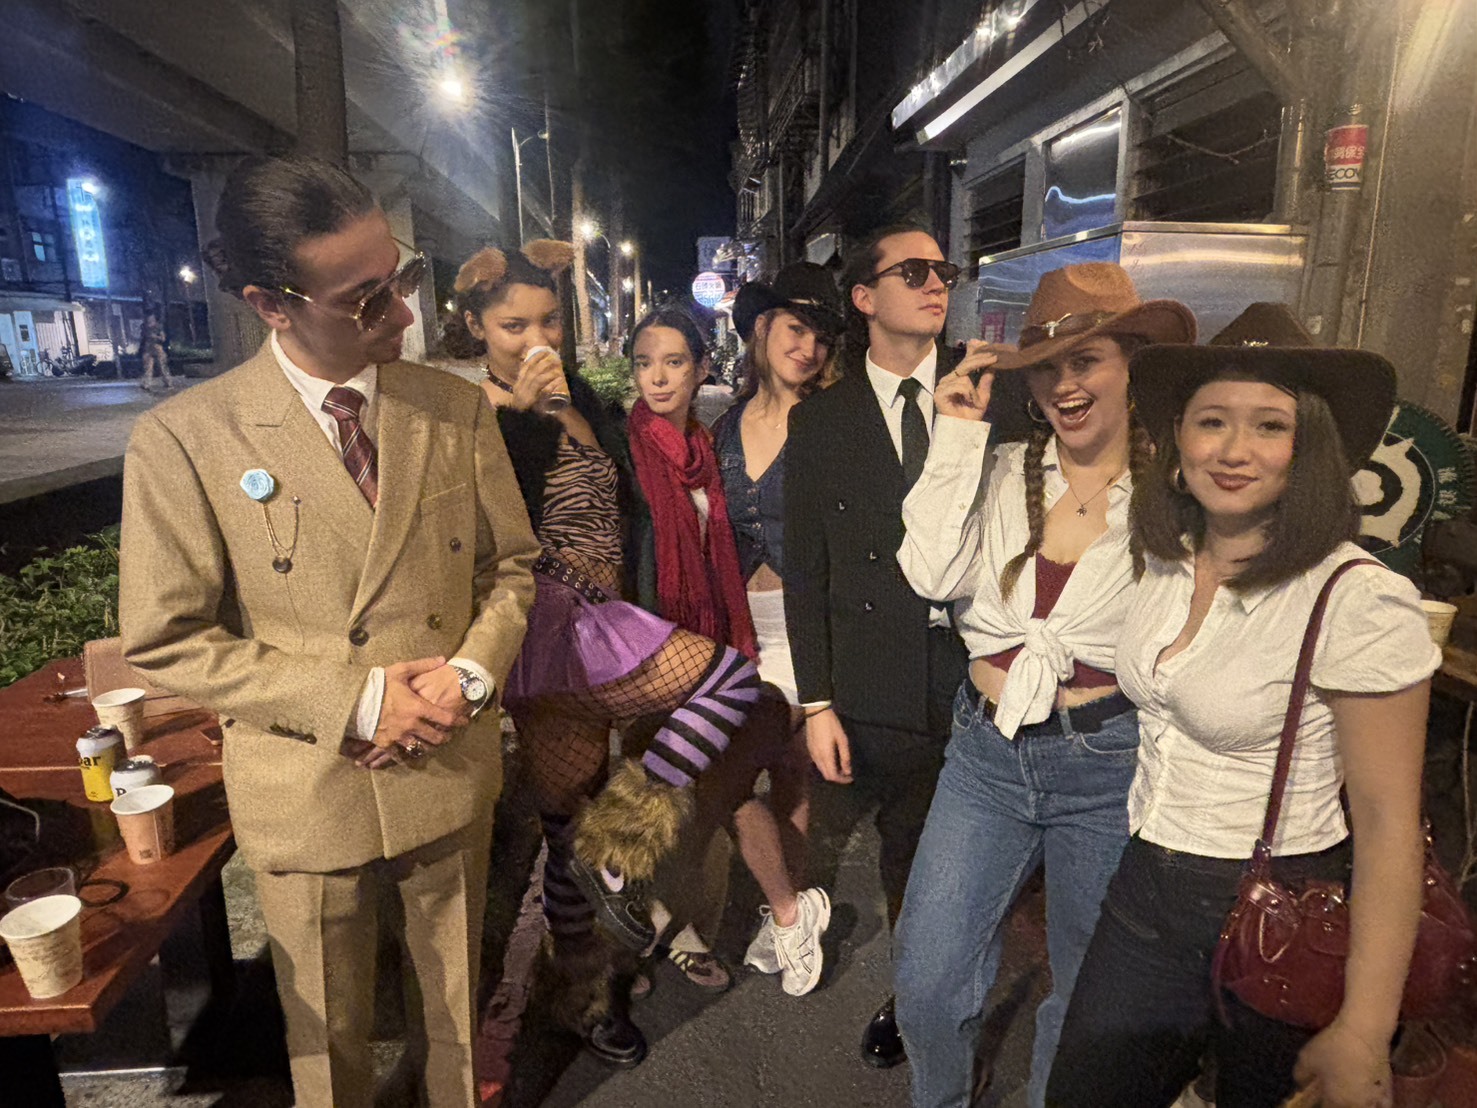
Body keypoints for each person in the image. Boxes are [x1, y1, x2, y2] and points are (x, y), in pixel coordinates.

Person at [118, 155, 539, 1108]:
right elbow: (167, 637)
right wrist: (353, 700)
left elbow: (510, 568)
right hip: (306, 780)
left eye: (402, 278)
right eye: (365, 299)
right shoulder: (188, 437)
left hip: (446, 753)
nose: (402, 313)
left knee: (455, 1019)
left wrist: (472, 675)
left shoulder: (451, 408)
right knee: (327, 1047)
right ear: (271, 304)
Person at [1047, 303, 1439, 1108]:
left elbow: (1387, 821)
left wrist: (1364, 1029)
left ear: (1310, 449)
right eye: (1211, 421)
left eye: (1268, 426)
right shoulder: (1162, 557)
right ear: (1178, 441)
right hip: (1143, 887)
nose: (1232, 450)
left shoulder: (1355, 598)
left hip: (1278, 905)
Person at [443, 249, 764, 1065]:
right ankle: (617, 849)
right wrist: (520, 419)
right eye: (513, 325)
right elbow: (472, 530)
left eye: (549, 320)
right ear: (475, 327)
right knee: (727, 680)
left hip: (598, 619)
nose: (536, 339)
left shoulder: (579, 398)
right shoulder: (469, 411)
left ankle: (584, 995)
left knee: (564, 828)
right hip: (552, 622)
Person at [894, 263, 1197, 1108]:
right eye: (1046, 367)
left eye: (1086, 360)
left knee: (1086, 992)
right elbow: (928, 575)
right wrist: (954, 434)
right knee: (927, 979)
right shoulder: (996, 470)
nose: (1065, 384)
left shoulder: (1170, 491)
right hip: (984, 754)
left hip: (1107, 761)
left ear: (1130, 363)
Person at [783, 224, 971, 1067]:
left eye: (943, 270)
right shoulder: (822, 420)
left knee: (983, 859)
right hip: (878, 677)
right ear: (863, 297)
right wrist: (817, 701)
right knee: (907, 849)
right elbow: (806, 567)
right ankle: (916, 993)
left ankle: (953, 988)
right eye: (914, 271)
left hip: (982, 669)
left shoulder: (986, 391)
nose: (936, 284)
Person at [711, 263, 846, 994]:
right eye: (797, 330)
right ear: (762, 329)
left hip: (805, 628)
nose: (809, 349)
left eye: (822, 338)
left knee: (755, 775)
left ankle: (787, 912)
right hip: (742, 632)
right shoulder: (724, 427)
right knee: (765, 776)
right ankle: (790, 905)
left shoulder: (832, 424)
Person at [139, 308, 173, 391]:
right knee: (148, 367)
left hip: (157, 347)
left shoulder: (158, 327)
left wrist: (156, 337)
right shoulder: (144, 327)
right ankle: (146, 384)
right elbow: (143, 338)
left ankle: (168, 382)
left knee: (162, 366)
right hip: (147, 348)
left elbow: (163, 338)